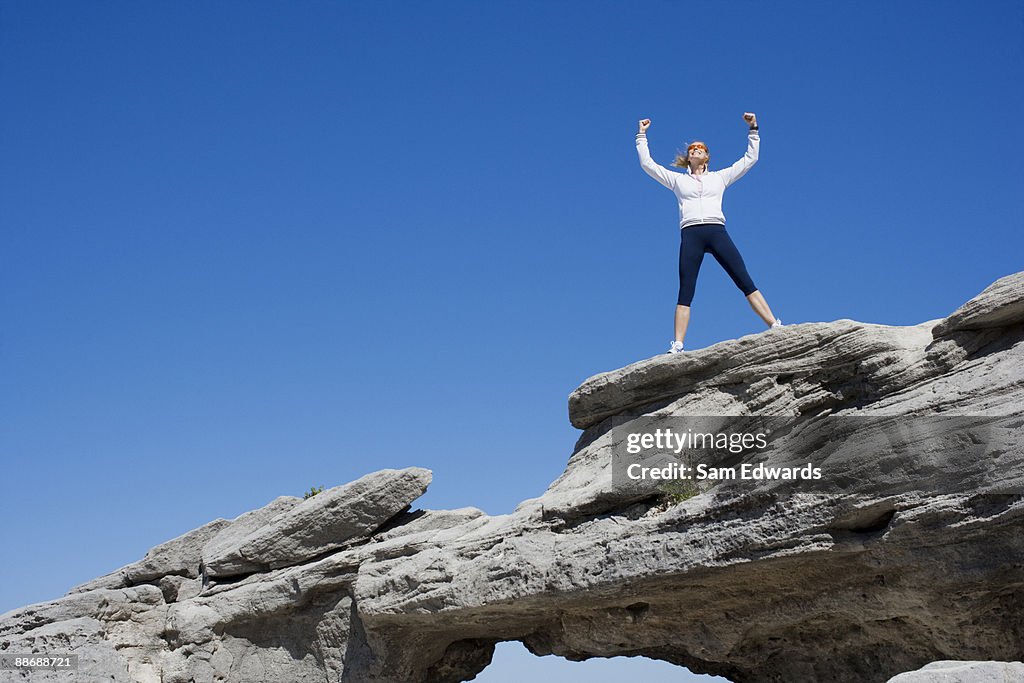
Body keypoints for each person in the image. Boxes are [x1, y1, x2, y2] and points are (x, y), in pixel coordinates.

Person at [636, 113, 782, 354]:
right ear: (688, 157)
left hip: (716, 231)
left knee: (743, 278)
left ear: (706, 157)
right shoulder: (676, 181)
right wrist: (641, 135)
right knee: (686, 288)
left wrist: (753, 129)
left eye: (700, 148)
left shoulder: (720, 178)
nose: (695, 150)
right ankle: (678, 345)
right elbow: (647, 165)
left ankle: (774, 325)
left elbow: (750, 159)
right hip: (691, 233)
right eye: (692, 148)